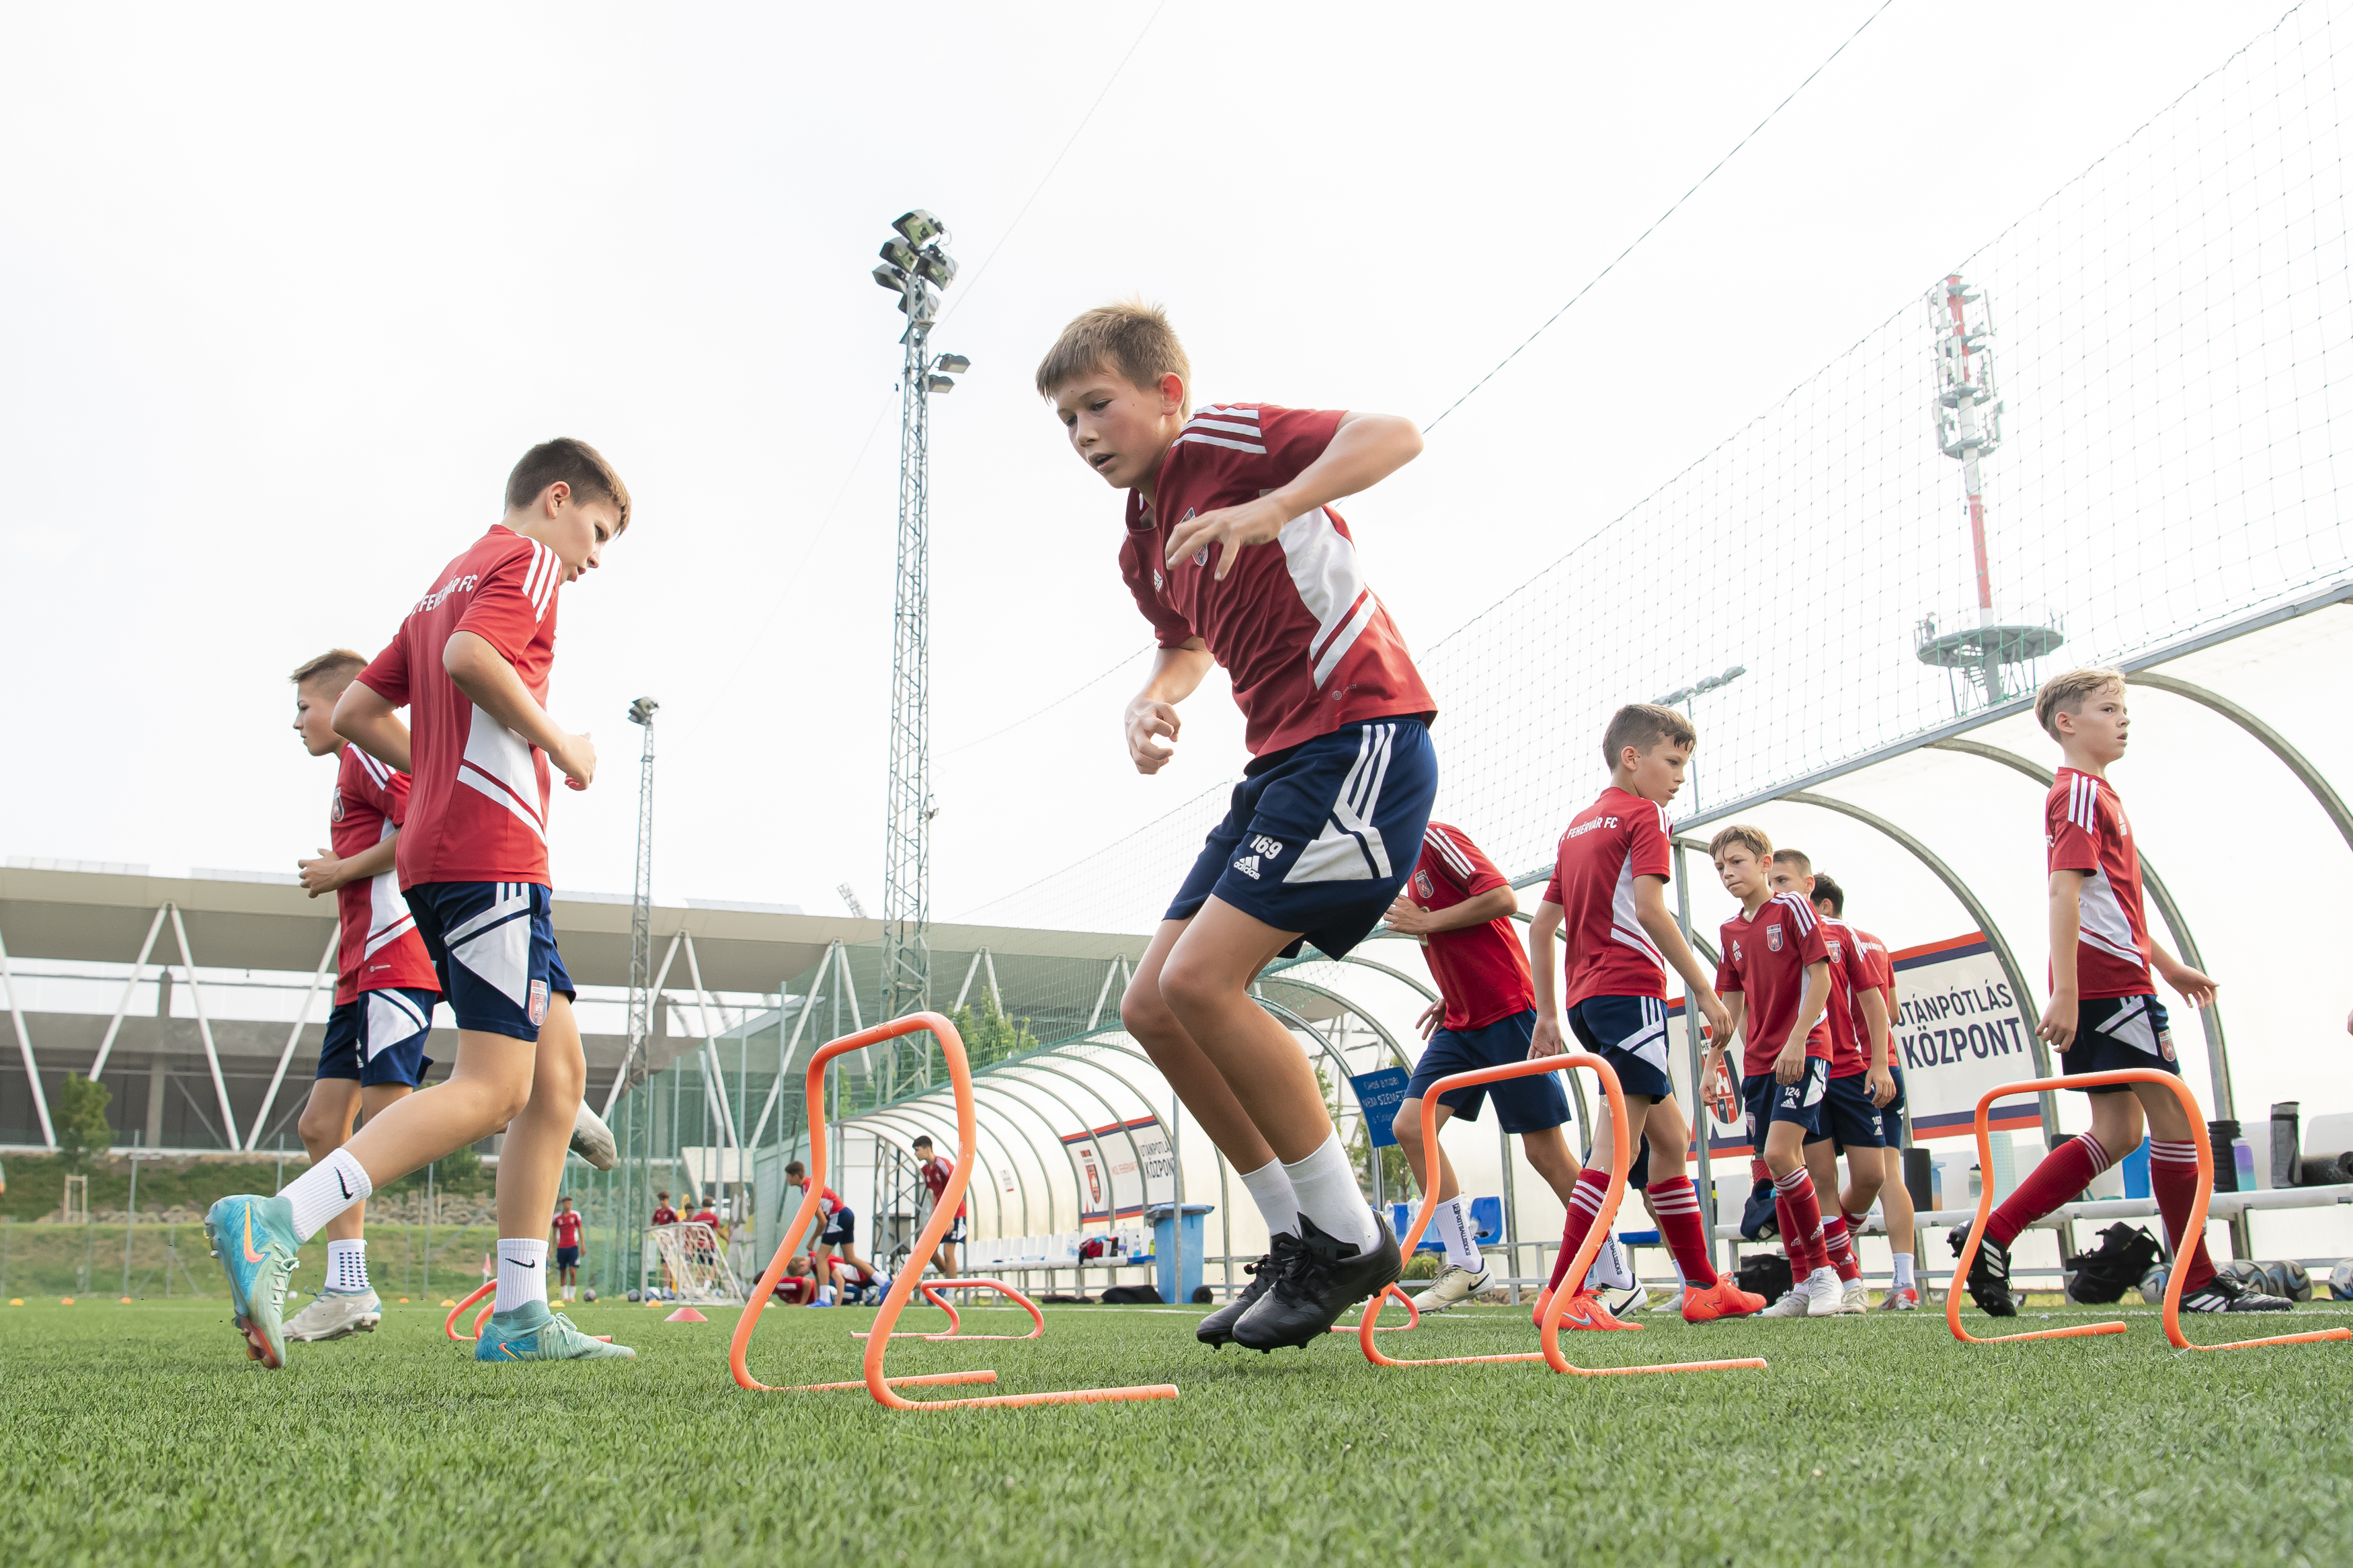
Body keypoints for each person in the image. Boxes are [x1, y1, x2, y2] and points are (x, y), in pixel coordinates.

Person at [1038, 301, 1435, 1352]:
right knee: (1154, 1005)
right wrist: (1152, 700)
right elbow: (1185, 645)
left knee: (1205, 981)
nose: (1082, 433)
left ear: (1167, 394)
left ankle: (1350, 1235)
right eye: (1066, 419)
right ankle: (1296, 1236)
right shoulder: (1142, 540)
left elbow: (1395, 435)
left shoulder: (1225, 441)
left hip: (1361, 737)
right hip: (1280, 766)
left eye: (1097, 405)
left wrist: (1278, 506)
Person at [204, 438, 637, 1366]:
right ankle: (276, 1221)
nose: (595, 557)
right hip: (492, 849)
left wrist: (440, 770)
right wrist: (561, 744)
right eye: (598, 532)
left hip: (440, 854)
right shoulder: (528, 562)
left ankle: (520, 1314)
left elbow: (357, 713)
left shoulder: (444, 579)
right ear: (557, 499)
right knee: (494, 1088)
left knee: (556, 1081)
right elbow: (476, 657)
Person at [1956, 669, 2290, 1315]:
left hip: (2111, 981)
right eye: (2109, 709)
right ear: (2067, 723)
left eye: (2123, 709)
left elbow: (2112, 904)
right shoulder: (2080, 793)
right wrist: (2067, 990)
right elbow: (2065, 892)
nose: (2123, 718)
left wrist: (2168, 966)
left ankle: (1994, 1232)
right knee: (2176, 1123)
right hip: (2108, 986)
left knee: (2118, 1130)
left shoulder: (2095, 793)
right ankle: (2196, 1282)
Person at [1529, 707, 1766, 1329]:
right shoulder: (1645, 815)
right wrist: (1706, 991)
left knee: (1669, 1138)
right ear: (1632, 758)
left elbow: (1541, 926)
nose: (1680, 776)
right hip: (1631, 993)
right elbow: (1653, 911)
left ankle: (1703, 1287)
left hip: (1587, 1001)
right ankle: (1564, 1292)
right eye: (1674, 761)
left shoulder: (1577, 827)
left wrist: (1549, 1014)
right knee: (1617, 1148)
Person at [279, 650, 444, 1346]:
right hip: (359, 969)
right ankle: (348, 1284)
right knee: (323, 1126)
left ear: (343, 702)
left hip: (393, 955)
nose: (297, 723)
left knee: (388, 1120)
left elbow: (423, 824)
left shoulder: (368, 752)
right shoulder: (351, 767)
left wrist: (342, 867)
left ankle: (524, 1092)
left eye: (304, 707)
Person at [1382, 821, 1581, 1315]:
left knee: (1545, 1153)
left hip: (1507, 1013)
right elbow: (1463, 942)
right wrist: (1451, 991)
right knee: (1410, 1126)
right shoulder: (1398, 863)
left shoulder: (1433, 837)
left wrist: (1427, 921)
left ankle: (1610, 1268)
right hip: (1460, 1021)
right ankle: (1467, 1263)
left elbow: (1502, 898)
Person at [1706, 825, 1848, 1319]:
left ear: (1766, 864)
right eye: (1720, 867)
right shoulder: (1730, 931)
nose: (1728, 873)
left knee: (1781, 1154)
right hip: (1758, 1064)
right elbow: (1729, 1006)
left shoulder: (1791, 908)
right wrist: (1712, 1066)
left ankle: (1826, 1272)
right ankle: (1804, 1281)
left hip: (1804, 1052)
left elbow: (1822, 978)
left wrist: (1797, 1040)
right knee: (1777, 1169)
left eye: (1737, 862)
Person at [1765, 853, 1891, 1314]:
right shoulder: (1766, 933)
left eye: (1784, 880)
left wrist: (1880, 1064)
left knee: (1873, 1176)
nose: (1777, 890)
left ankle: (1836, 1253)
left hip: (1850, 1068)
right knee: (1820, 1178)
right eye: (1772, 881)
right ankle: (1843, 1276)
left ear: (1809, 884)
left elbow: (1874, 1001)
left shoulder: (1841, 934)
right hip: (1803, 1070)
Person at [1815, 882, 1918, 1309]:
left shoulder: (1822, 939)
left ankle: (1827, 1264)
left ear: (1823, 904)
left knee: (1821, 1178)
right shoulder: (1875, 942)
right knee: (1887, 1175)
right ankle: (1904, 1281)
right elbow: (1891, 1012)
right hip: (1885, 1062)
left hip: (1844, 1065)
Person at [786, 1161, 886, 1300]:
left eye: (788, 1176)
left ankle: (825, 1299)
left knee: (820, 1257)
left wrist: (812, 1240)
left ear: (796, 1176)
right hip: (846, 1214)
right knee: (850, 1258)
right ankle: (884, 1282)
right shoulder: (809, 1184)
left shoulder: (808, 1189)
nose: (787, 1180)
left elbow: (822, 1221)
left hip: (838, 1216)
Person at [911, 1134, 966, 1279]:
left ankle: (951, 1288)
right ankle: (950, 1280)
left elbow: (956, 1188)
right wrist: (933, 1218)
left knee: (948, 1252)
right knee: (929, 1251)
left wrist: (951, 1218)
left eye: (917, 1150)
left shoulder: (942, 1164)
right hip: (940, 1214)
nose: (915, 1154)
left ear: (927, 1149)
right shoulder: (926, 1170)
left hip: (955, 1213)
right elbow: (935, 1195)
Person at [551, 1195, 585, 1303]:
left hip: (573, 1247)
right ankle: (565, 1296)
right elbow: (554, 1233)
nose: (569, 1205)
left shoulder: (575, 1216)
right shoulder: (557, 1218)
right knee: (563, 1271)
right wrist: (551, 1247)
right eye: (567, 1203)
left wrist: (583, 1245)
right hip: (561, 1248)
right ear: (563, 1204)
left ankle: (572, 1296)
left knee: (573, 1271)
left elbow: (580, 1230)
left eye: (570, 1203)